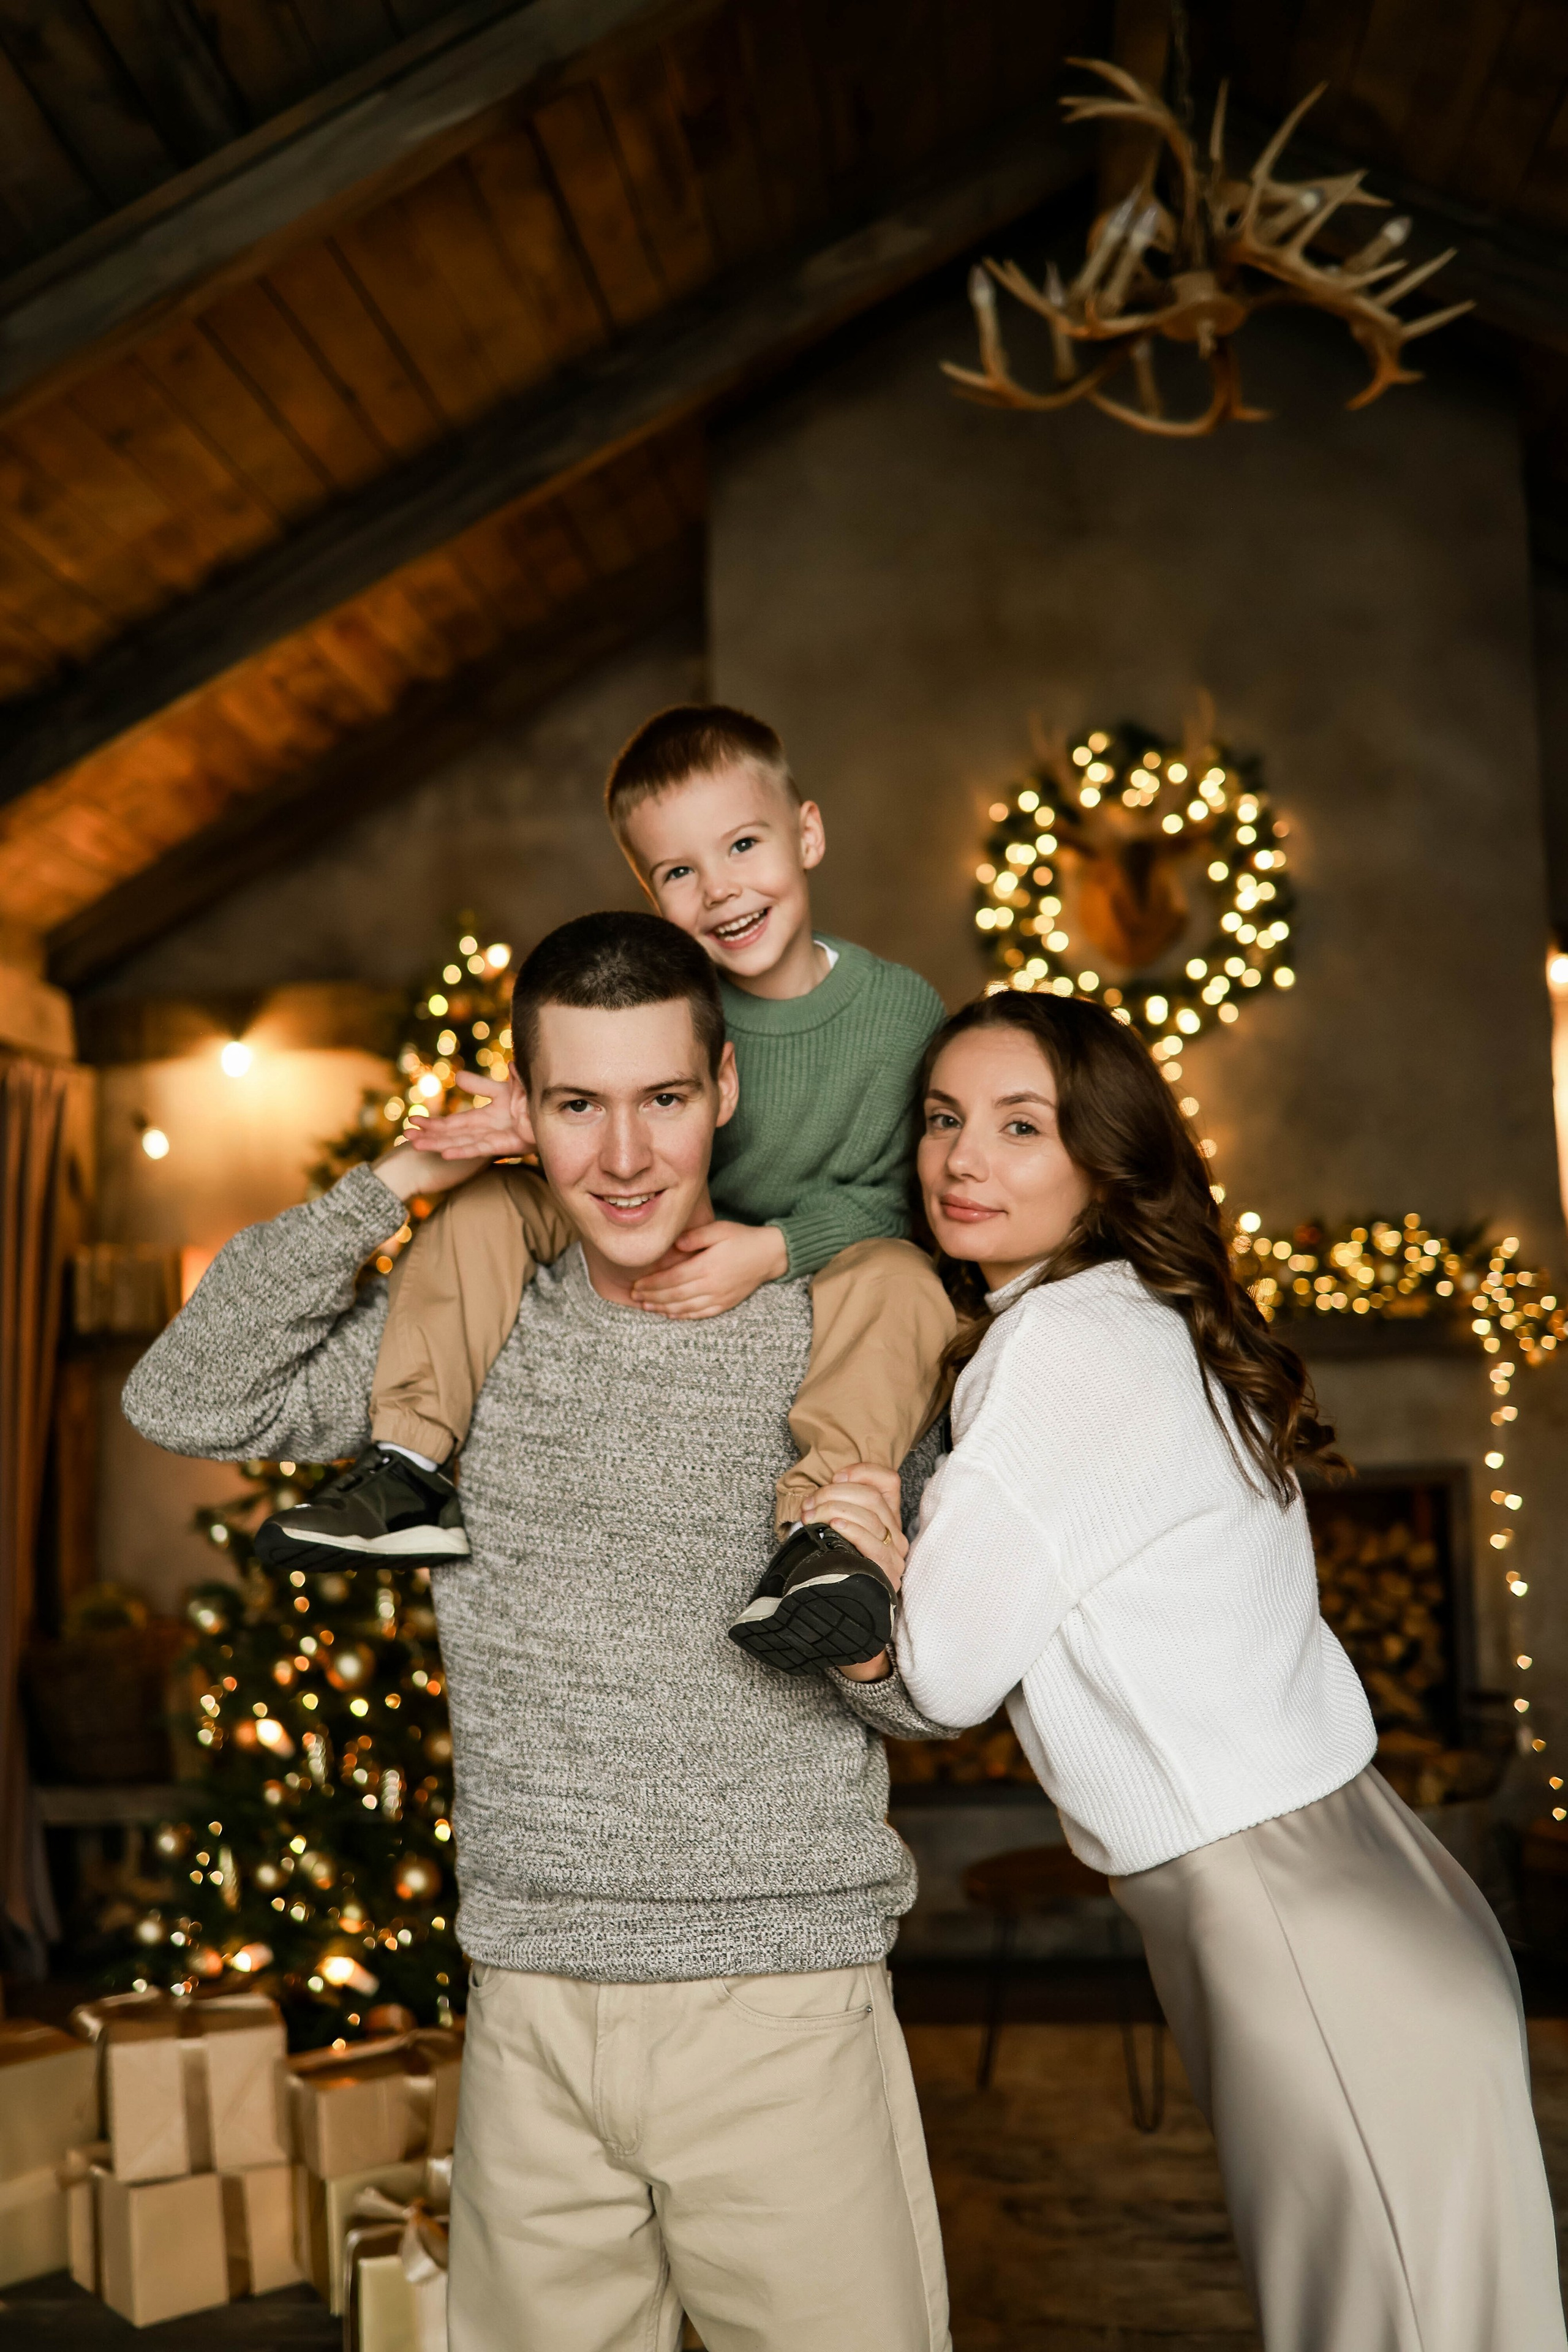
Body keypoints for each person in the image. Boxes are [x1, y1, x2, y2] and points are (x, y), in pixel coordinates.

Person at [124, 911, 954, 2352]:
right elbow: (187, 1397)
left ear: (725, 1093)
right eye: (576, 1105)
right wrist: (399, 1173)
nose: (622, 1158)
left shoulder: (844, 1330)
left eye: (662, 1100)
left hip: (780, 2003)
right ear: (529, 1110)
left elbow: (929, 1701)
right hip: (529, 2004)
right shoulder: (477, 1314)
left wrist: (871, 1642)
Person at [805, 989, 1567, 2352]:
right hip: (1356, 1885)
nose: (960, 1159)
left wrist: (865, 1547)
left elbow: (944, 1678)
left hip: (1285, 1911)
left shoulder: (1056, 1344)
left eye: (1018, 1126)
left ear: (1102, 1161)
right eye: (940, 1120)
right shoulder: (1135, 1314)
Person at [257, 704, 954, 1673]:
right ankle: (407, 1467)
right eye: (679, 872)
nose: (721, 892)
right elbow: (597, 1118)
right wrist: (540, 1123)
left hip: (809, 1259)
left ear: (808, 834)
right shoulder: (657, 1000)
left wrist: (775, 1248)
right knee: (490, 1205)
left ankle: (822, 1542)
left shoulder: (897, 1012)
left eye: (743, 845)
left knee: (903, 1283)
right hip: (635, 1216)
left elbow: (908, 1197)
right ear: (649, 889)